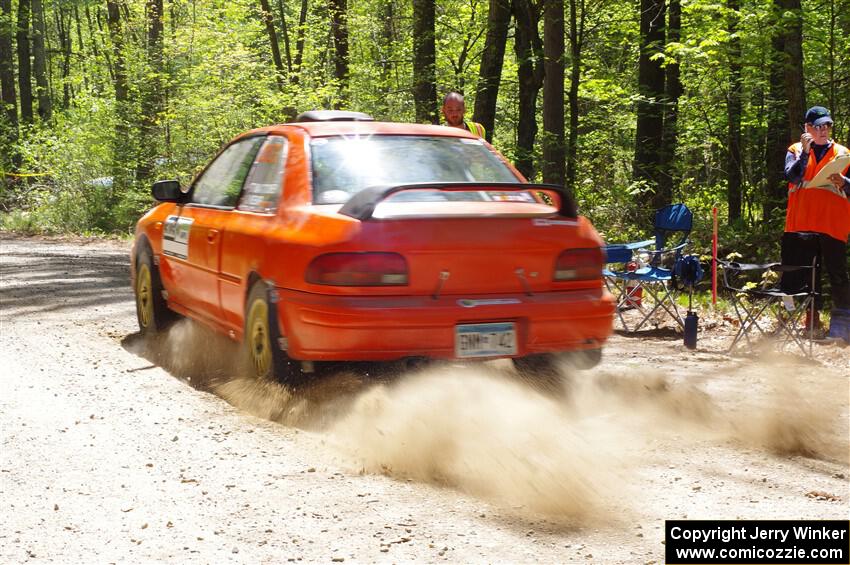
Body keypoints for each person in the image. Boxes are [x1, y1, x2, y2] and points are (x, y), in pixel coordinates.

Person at [782, 105, 850, 343]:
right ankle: (811, 322)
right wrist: (805, 152)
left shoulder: (843, 154)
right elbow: (792, 176)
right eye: (818, 126)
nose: (823, 130)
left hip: (833, 224)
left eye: (827, 125)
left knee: (837, 276)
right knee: (807, 276)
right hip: (802, 225)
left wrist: (844, 181)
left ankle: (841, 330)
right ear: (807, 128)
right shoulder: (794, 150)